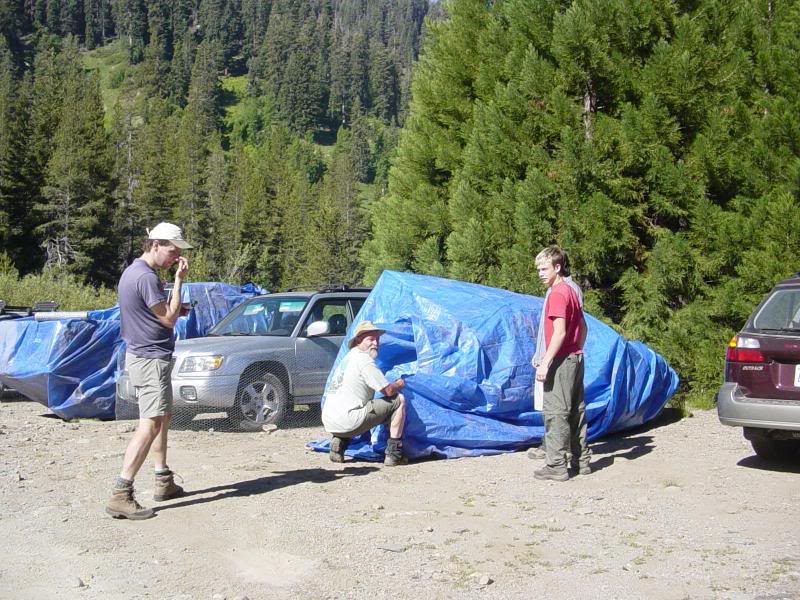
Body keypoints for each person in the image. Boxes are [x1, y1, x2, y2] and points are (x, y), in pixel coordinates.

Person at [105, 223, 193, 519]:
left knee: (162, 417)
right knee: (150, 424)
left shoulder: (135, 273)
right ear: (155, 244)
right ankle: (121, 491)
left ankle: (162, 479)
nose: (175, 257)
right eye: (173, 250)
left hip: (145, 356)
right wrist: (179, 282)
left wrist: (172, 307)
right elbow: (168, 320)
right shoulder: (146, 277)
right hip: (150, 360)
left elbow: (153, 314)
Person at [531, 245, 591, 481]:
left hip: (561, 361)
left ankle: (556, 465)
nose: (540, 273)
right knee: (577, 411)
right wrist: (577, 350)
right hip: (575, 357)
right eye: (538, 269)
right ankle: (582, 461)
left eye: (544, 268)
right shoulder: (572, 291)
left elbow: (559, 332)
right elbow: (583, 327)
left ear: (558, 267)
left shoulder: (557, 294)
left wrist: (546, 362)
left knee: (555, 412)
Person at [321, 321, 408, 467]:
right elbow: (388, 391)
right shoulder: (364, 360)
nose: (375, 343)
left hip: (330, 421)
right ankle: (394, 453)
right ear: (358, 341)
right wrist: (400, 383)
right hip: (349, 421)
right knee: (399, 400)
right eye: (370, 339)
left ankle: (338, 443)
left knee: (358, 404)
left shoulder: (348, 357)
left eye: (377, 339)